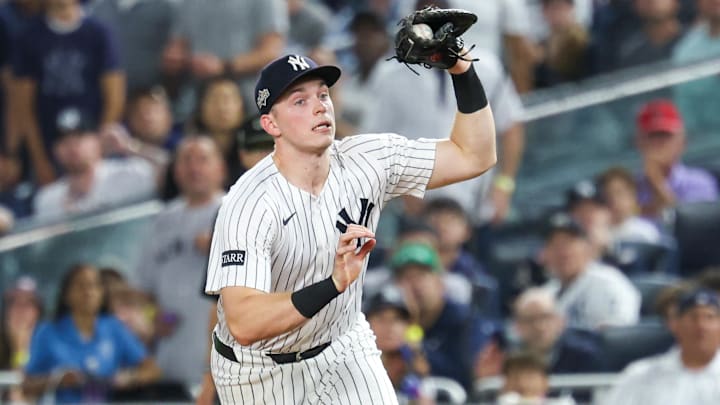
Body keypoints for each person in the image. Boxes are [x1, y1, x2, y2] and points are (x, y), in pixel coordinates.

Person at [204, 47, 497, 404]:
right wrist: (332, 284)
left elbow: (474, 155)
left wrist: (461, 69)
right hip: (260, 372)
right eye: (299, 100)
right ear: (271, 124)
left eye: (323, 95)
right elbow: (245, 323)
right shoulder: (248, 204)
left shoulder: (368, 160)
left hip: (343, 345)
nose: (319, 106)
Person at [135, 136, 225, 389]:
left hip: (221, 360)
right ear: (175, 170)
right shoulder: (163, 219)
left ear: (220, 168)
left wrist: (220, 247)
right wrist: (151, 316)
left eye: (203, 160)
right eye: (187, 160)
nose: (194, 167)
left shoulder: (236, 210)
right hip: (170, 359)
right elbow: (142, 290)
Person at [12, 0, 125, 185]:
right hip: (50, 146)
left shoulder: (99, 33)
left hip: (95, 141)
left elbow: (114, 96)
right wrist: (39, 160)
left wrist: (99, 148)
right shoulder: (28, 38)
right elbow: (23, 106)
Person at [22, 264, 162, 404]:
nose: (88, 291)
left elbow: (152, 370)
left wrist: (130, 378)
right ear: (66, 294)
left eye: (94, 285)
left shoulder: (113, 328)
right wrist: (57, 380)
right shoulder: (48, 332)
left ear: (102, 293)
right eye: (81, 285)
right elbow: (26, 386)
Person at [392, 242, 495, 392]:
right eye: (407, 278)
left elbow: (466, 374)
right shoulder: (391, 322)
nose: (414, 285)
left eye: (422, 276)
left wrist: (421, 353)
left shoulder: (463, 320)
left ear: (440, 282)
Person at [32, 108, 158, 223]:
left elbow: (172, 173)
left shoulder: (129, 174)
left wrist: (130, 147)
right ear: (55, 150)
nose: (72, 145)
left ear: (97, 140)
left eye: (80, 136)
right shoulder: (47, 199)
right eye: (63, 140)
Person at [603, 288, 720, 405]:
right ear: (675, 324)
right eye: (693, 317)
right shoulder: (641, 374)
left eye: (710, 317)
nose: (701, 326)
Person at [541, 213, 641, 330]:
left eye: (569, 243)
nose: (563, 252)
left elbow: (624, 327)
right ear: (544, 254)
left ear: (586, 247)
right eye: (555, 245)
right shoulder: (545, 294)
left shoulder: (608, 282)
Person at [634, 99, 718, 219]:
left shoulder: (700, 182)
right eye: (652, 136)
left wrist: (655, 179)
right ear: (639, 142)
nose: (659, 143)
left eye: (665, 135)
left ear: (682, 141)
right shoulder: (627, 189)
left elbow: (690, 224)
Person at [0, 276, 43, 403]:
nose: (20, 310)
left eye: (28, 304)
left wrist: (19, 349)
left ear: (37, 311)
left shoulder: (47, 344)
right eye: (14, 303)